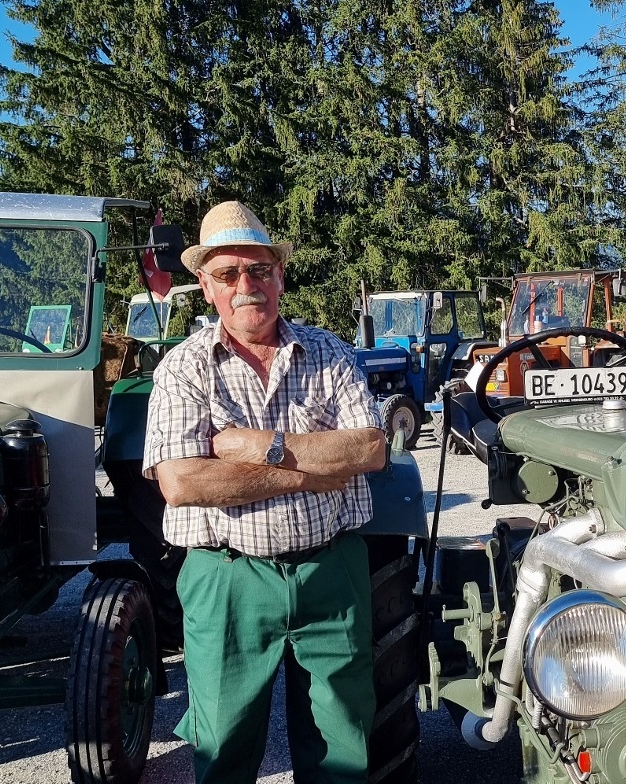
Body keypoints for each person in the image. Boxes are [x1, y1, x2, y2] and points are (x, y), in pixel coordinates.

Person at [142, 200, 385, 783]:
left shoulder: (329, 353)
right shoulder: (183, 368)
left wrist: (260, 446)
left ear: (280, 274)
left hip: (332, 574)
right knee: (221, 744)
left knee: (343, 747)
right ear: (205, 286)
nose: (246, 286)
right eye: (228, 274)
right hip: (228, 580)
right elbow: (181, 482)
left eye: (259, 270)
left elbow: (370, 450)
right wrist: (317, 466)